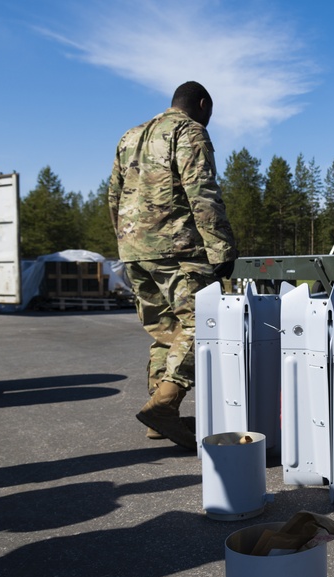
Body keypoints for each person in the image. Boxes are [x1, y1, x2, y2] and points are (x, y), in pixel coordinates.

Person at [109, 81, 237, 451]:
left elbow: (113, 195)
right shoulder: (188, 130)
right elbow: (202, 191)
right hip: (176, 248)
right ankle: (164, 407)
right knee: (203, 323)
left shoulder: (129, 136)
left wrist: (126, 241)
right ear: (201, 104)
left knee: (165, 330)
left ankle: (158, 417)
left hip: (134, 248)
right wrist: (221, 249)